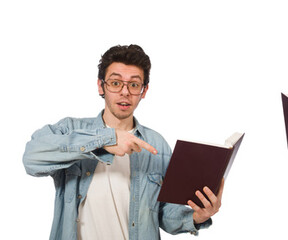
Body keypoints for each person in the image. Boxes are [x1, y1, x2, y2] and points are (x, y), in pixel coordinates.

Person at [23, 44, 223, 240]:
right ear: (101, 86)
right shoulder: (70, 129)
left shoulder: (157, 145)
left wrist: (196, 217)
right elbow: (32, 158)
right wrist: (105, 140)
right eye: (116, 83)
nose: (125, 92)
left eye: (134, 84)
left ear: (143, 91)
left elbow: (162, 214)